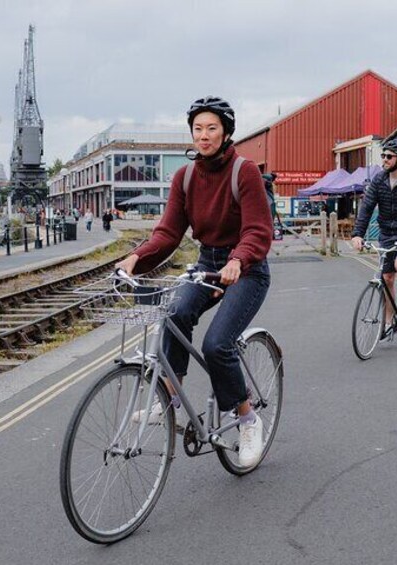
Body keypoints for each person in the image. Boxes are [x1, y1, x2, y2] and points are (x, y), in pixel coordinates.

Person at [115, 96, 273, 467]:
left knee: (217, 344)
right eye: (198, 129)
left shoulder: (244, 172)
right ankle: (169, 399)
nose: (203, 135)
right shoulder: (185, 177)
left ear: (226, 132)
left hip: (247, 269)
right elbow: (168, 233)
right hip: (206, 264)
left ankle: (248, 419)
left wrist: (238, 259)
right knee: (174, 311)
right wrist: (137, 257)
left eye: (211, 128)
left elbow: (258, 230)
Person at [350, 139, 397, 340]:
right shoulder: (379, 180)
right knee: (387, 278)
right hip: (387, 233)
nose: (384, 159)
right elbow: (366, 208)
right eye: (383, 155)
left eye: (388, 156)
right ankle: (389, 322)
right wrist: (358, 234)